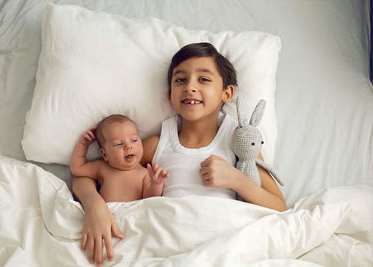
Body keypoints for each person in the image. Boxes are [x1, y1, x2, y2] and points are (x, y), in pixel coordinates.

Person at [71, 42, 286, 265]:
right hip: (168, 243)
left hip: (218, 245)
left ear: (227, 93)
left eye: (203, 79)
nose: (190, 87)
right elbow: (84, 176)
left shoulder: (239, 142)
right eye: (180, 80)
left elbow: (279, 207)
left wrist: (237, 179)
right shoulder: (157, 144)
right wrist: (94, 206)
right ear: (170, 95)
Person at [70, 114, 169, 203]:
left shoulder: (145, 174)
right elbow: (77, 169)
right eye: (118, 144)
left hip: (133, 215)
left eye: (134, 140)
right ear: (105, 155)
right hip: (107, 216)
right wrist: (83, 145)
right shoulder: (101, 167)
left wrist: (156, 184)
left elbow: (150, 199)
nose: (128, 146)